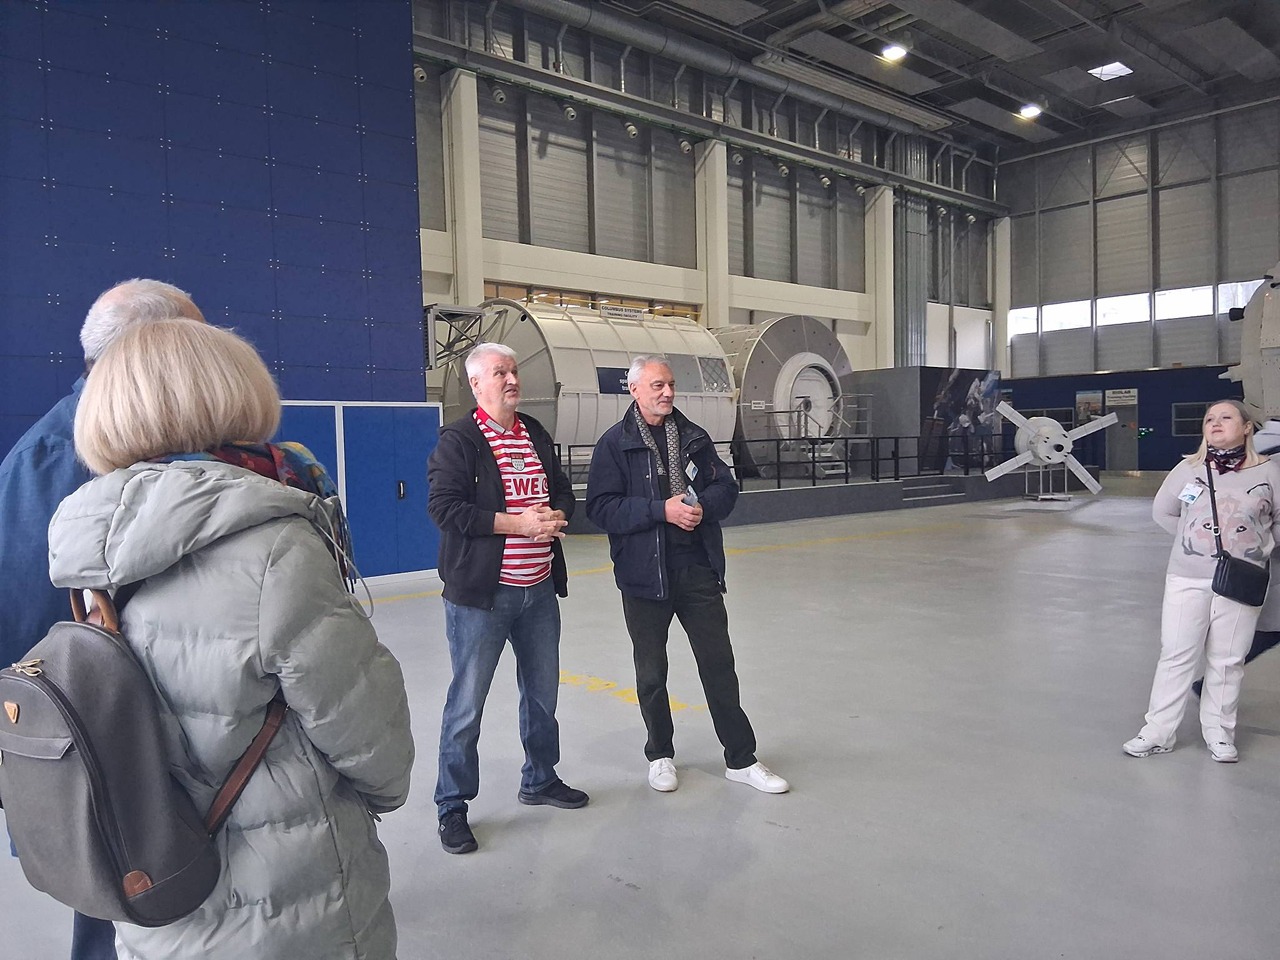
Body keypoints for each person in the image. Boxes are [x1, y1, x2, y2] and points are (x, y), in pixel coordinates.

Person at [46, 319, 414, 960]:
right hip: (288, 897)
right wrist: (385, 792)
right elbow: (366, 729)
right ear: (231, 396)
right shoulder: (273, 546)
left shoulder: (84, 543)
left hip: (155, 885)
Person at [0, 278, 205, 960]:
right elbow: (25, 650)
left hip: (191, 752)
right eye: (197, 344)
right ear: (148, 353)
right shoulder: (52, 465)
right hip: (121, 762)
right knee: (128, 913)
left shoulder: (167, 446)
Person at [586, 355, 789, 795]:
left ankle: (741, 759)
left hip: (697, 571)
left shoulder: (693, 437)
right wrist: (661, 510)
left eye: (671, 384)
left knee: (719, 666)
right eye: (657, 385)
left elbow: (725, 488)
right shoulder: (614, 444)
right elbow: (600, 508)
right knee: (651, 672)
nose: (668, 392)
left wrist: (702, 508)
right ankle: (660, 754)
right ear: (634, 390)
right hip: (644, 578)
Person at [427, 342, 587, 855]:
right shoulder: (459, 441)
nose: (512, 379)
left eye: (514, 371)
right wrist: (518, 524)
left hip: (538, 589)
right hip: (483, 596)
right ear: (477, 384)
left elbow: (562, 490)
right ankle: (452, 804)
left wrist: (557, 514)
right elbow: (445, 509)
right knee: (467, 703)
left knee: (542, 695)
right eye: (500, 372)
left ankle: (540, 778)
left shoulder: (534, 432)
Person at [1124, 399, 1280, 763]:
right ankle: (1158, 731)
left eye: (1226, 417)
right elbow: (1163, 511)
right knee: (1176, 654)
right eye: (1210, 418)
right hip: (1186, 577)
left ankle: (1219, 733)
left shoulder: (1269, 472)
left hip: (1242, 580)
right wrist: (1195, 543)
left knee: (1228, 659)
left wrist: (1257, 547)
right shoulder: (1189, 469)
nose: (1215, 423)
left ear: (1247, 427)